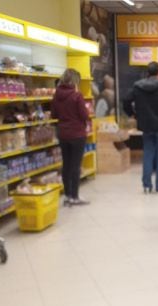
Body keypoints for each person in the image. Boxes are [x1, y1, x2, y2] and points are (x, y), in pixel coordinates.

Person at [123, 61, 158, 193]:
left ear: (148, 73)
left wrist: (133, 114)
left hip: (146, 126)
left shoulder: (137, 86)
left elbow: (126, 101)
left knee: (148, 153)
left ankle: (146, 185)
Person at [51, 68, 90, 205]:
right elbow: (84, 115)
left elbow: (54, 115)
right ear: (74, 80)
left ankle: (67, 196)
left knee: (66, 165)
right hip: (77, 134)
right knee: (75, 166)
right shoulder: (76, 95)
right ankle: (75, 196)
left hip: (63, 134)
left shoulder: (56, 95)